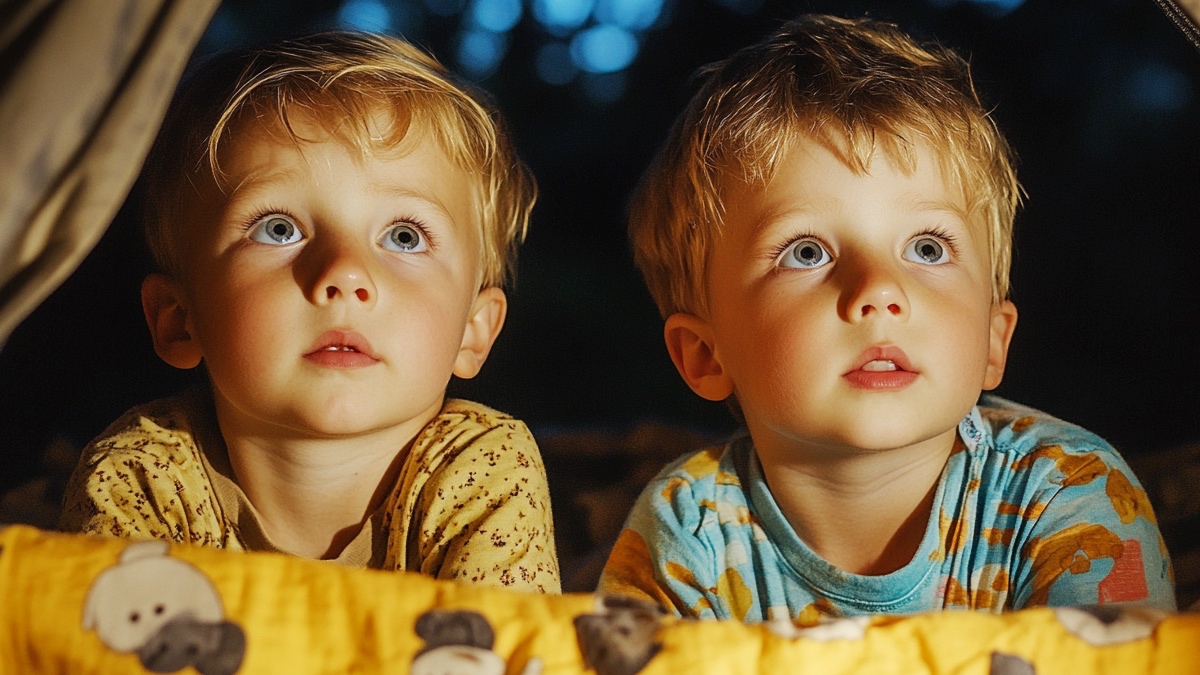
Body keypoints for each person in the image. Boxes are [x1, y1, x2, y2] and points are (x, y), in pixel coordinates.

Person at [598, 14, 1174, 619]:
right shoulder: (689, 531)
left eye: (927, 248)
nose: (879, 290)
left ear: (992, 341)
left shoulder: (1068, 491)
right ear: (705, 355)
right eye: (807, 252)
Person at [59, 31, 560, 593]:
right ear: (178, 316)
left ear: (474, 329)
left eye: (403, 236)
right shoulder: (140, 476)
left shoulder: (485, 469)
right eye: (279, 229)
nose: (345, 273)